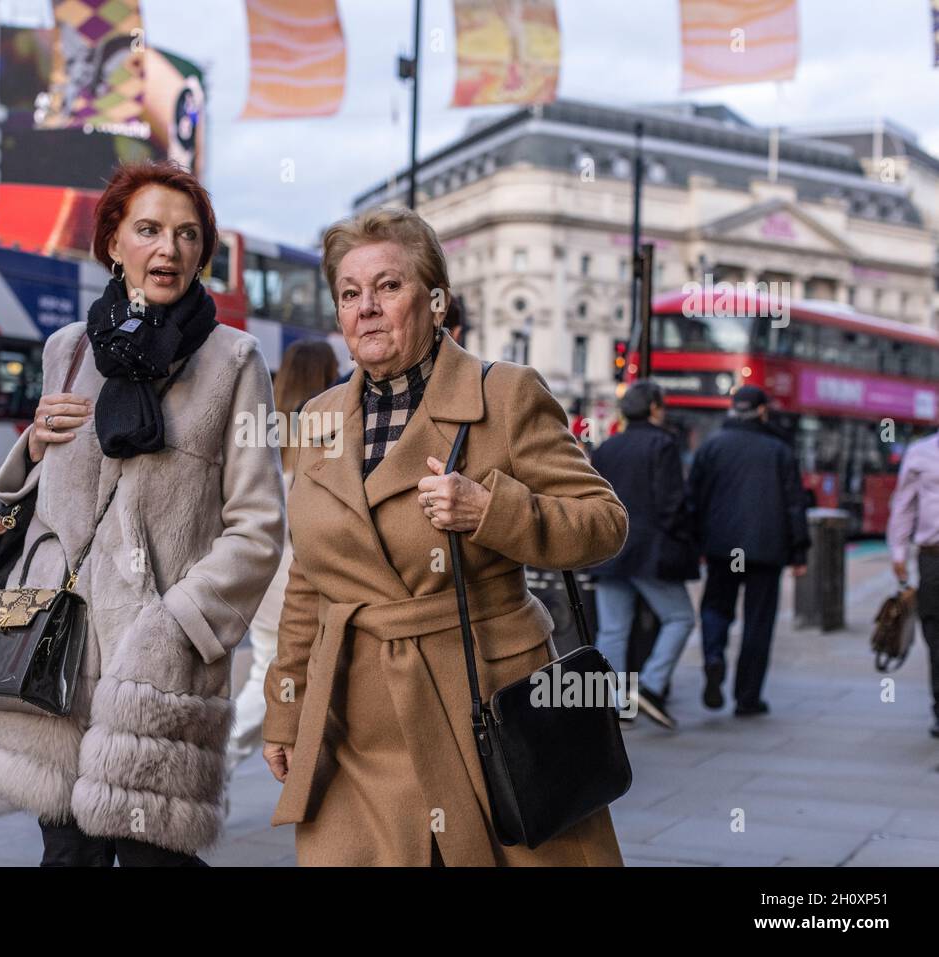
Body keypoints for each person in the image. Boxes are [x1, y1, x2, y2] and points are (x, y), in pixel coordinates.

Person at [261, 206, 629, 866]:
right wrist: (286, 707)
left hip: (484, 712)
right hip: (356, 731)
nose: (366, 308)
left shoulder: (506, 394)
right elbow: (309, 580)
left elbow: (604, 523)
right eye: (350, 293)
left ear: (436, 301)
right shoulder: (316, 418)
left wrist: (493, 510)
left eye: (388, 286)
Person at [0, 160, 285, 866]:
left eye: (186, 234)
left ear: (202, 252)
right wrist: (34, 445)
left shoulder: (235, 360)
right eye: (148, 229)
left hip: (159, 668)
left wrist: (178, 625)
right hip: (57, 654)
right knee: (66, 857)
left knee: (154, 860)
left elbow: (260, 524)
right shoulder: (67, 350)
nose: (167, 249)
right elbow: (36, 509)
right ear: (114, 241)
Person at [225, 340, 339, 782]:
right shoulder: (324, 427)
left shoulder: (270, 429)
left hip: (269, 575)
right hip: (298, 579)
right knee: (267, 675)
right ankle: (221, 757)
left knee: (271, 671)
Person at [688, 385, 810, 717]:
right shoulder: (779, 450)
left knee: (715, 607)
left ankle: (714, 657)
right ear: (761, 411)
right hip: (765, 550)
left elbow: (693, 499)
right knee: (758, 622)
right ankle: (747, 696)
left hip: (722, 548)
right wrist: (799, 553)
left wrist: (696, 542)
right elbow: (794, 505)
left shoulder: (712, 446)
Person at [588, 381, 698, 731]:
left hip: (610, 550)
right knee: (680, 618)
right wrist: (683, 540)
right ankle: (650, 685)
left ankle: (615, 703)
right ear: (654, 407)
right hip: (650, 552)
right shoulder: (663, 444)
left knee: (613, 630)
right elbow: (671, 504)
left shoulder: (607, 448)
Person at [886, 429, 939, 738]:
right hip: (934, 557)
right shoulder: (921, 453)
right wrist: (898, 551)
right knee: (935, 632)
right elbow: (904, 504)